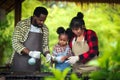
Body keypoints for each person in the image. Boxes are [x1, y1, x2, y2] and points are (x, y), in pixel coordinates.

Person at [10, 6, 51, 73]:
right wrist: (30, 53)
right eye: (40, 20)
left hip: (35, 66)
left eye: (44, 20)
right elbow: (15, 42)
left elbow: (45, 45)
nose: (42, 23)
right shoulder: (22, 25)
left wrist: (47, 54)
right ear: (34, 16)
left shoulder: (45, 29)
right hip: (20, 63)